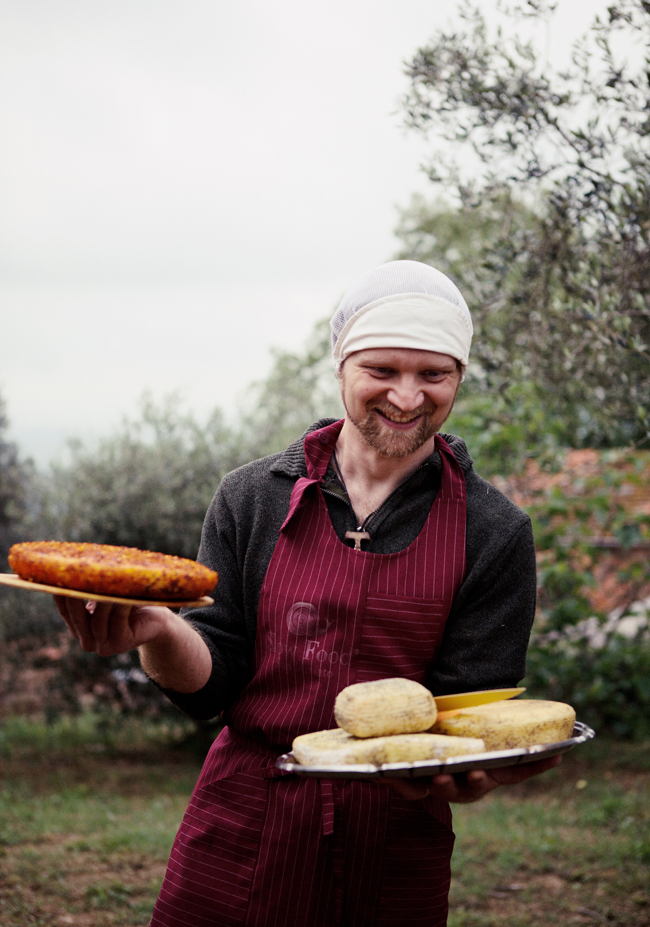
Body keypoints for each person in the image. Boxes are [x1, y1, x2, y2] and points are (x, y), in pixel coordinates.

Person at [55, 260, 560, 927]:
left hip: (393, 842)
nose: (407, 398)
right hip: (242, 820)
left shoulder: (493, 531)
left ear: (459, 376)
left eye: (433, 374)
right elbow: (213, 682)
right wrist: (158, 631)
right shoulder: (252, 498)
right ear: (341, 365)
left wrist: (475, 773)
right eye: (381, 370)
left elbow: (469, 720)